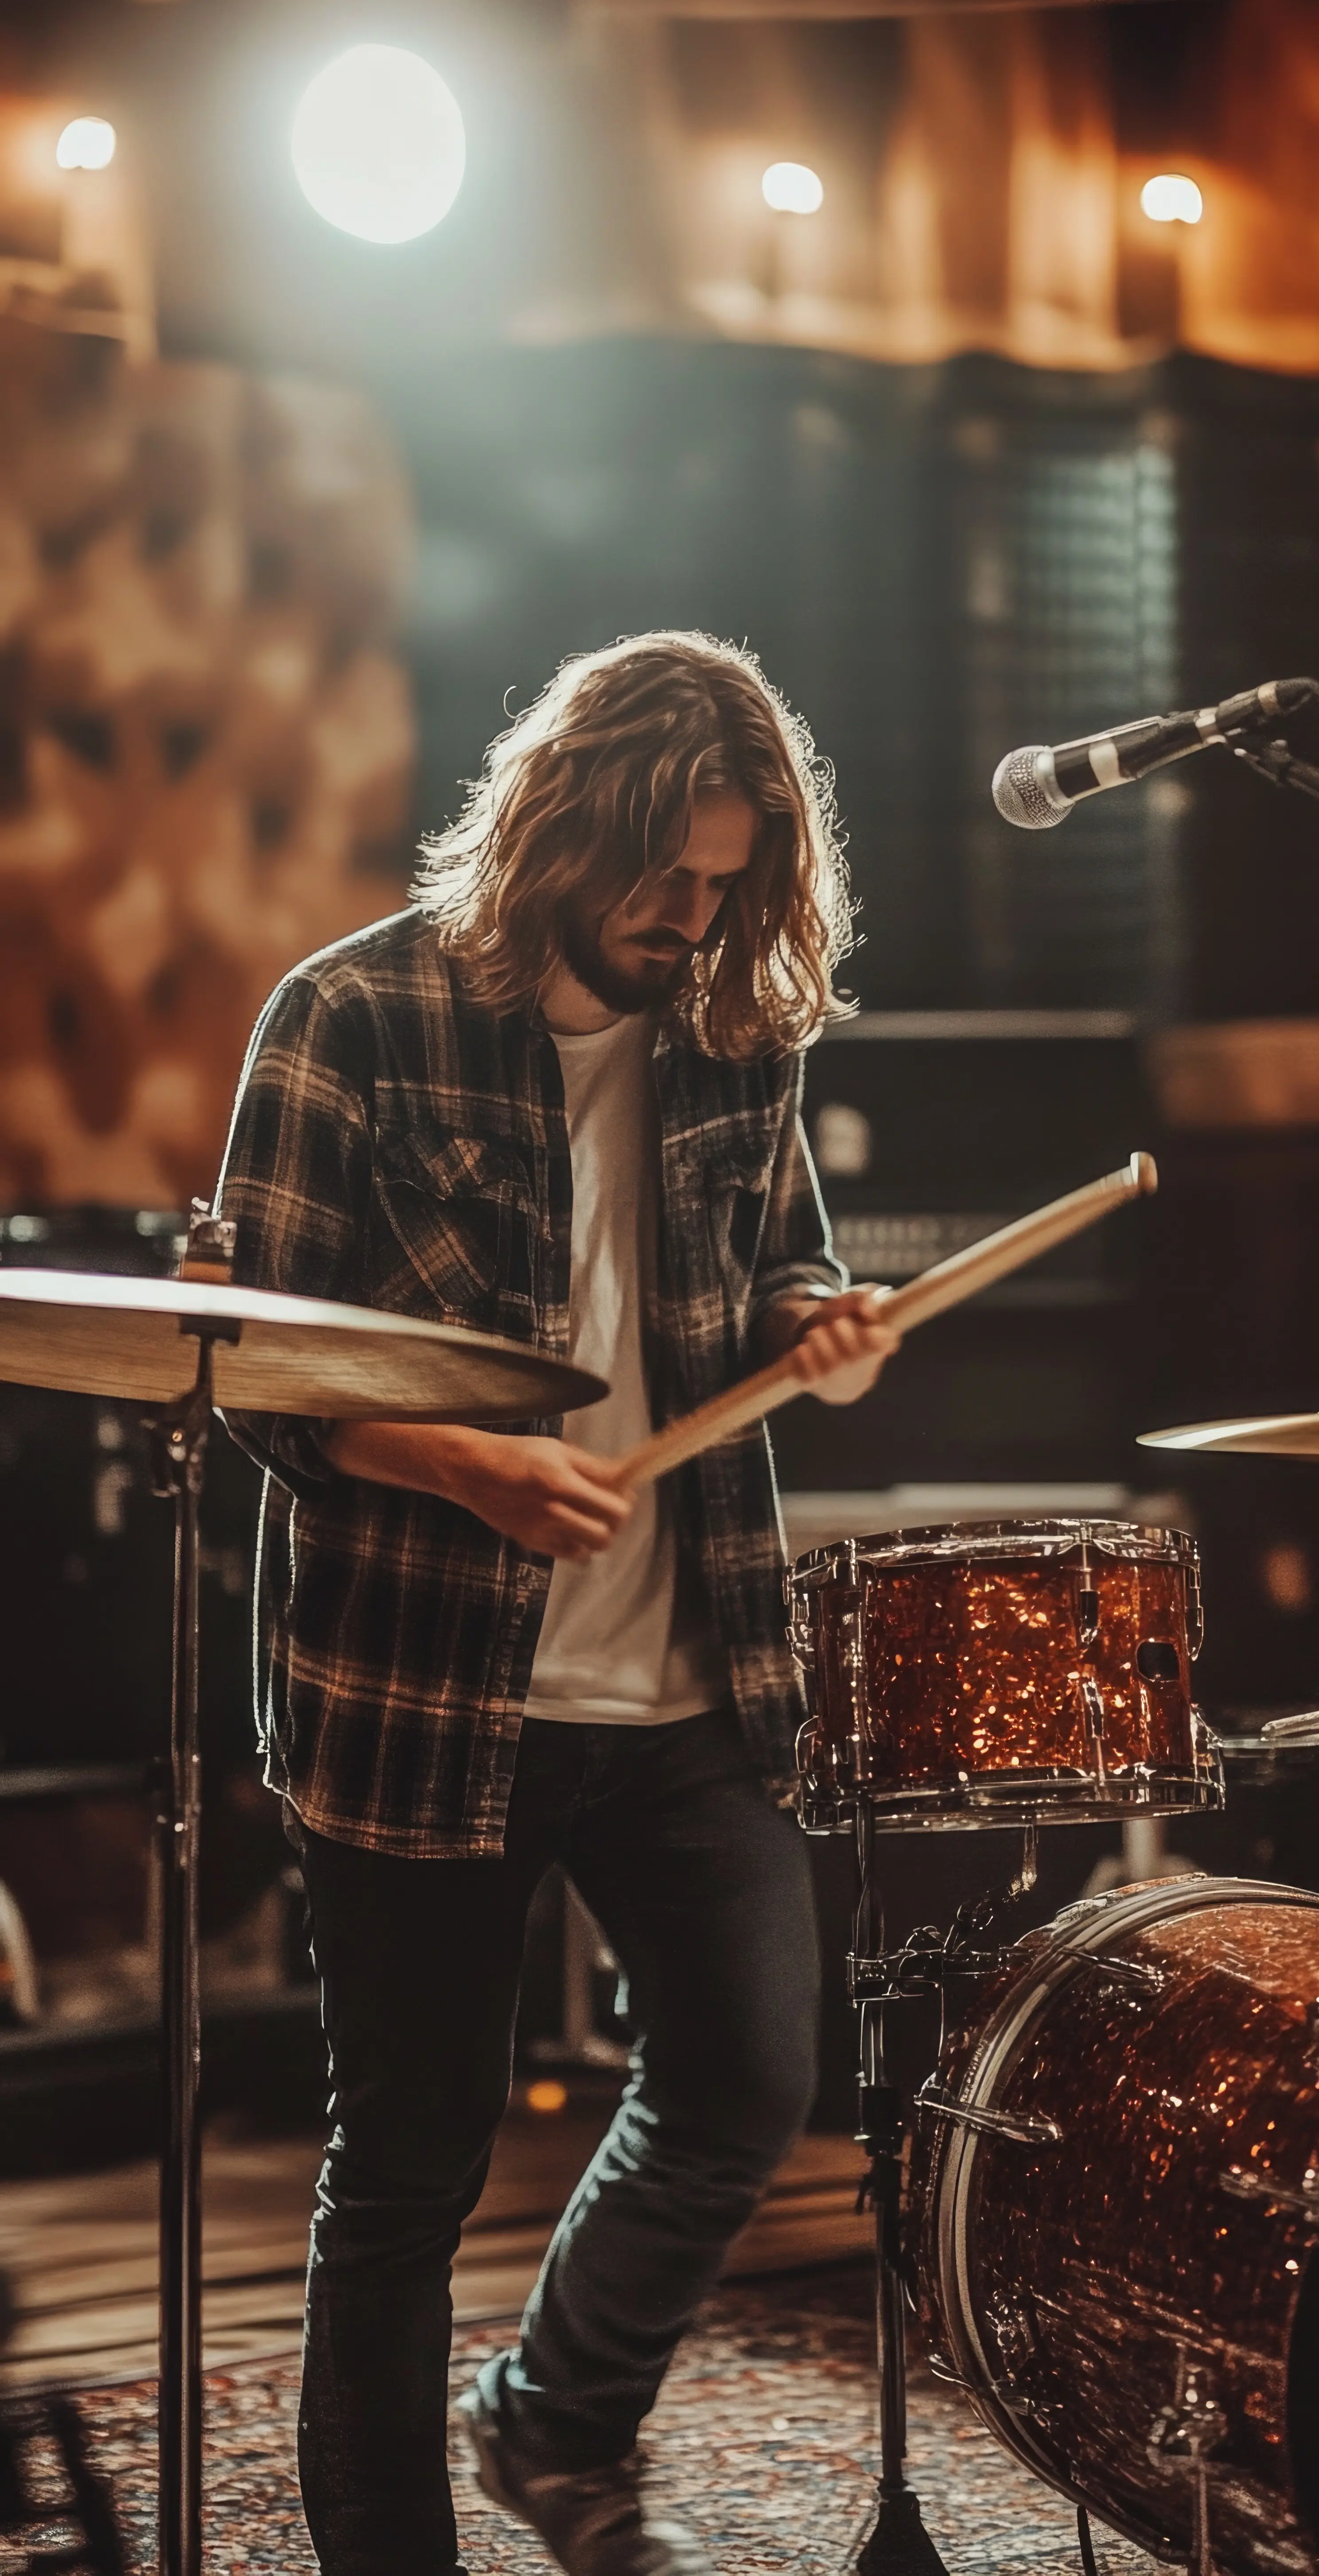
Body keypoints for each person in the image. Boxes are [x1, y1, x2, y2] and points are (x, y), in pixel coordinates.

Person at [216, 631, 899, 2576]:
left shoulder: (738, 1029)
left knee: (752, 2080)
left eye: (727, 882)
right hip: (425, 1689)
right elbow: (257, 1372)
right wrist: (467, 1463)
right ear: (555, 830)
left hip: (692, 1677)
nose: (694, 919)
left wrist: (813, 1329)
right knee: (409, 2172)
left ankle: (554, 2416)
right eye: (664, 878)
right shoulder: (347, 1019)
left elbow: (778, 1264)